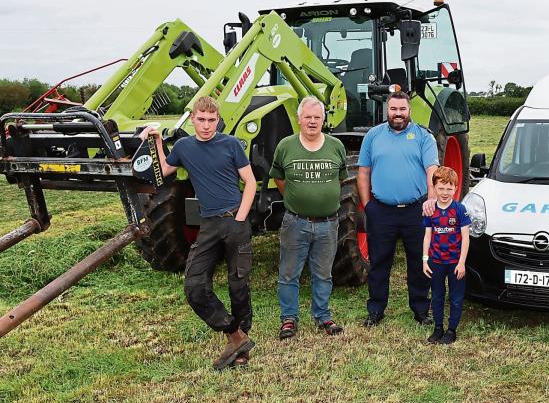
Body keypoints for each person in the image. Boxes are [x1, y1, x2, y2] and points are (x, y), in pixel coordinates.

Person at [139, 96, 257, 370]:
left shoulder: (231, 144)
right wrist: (156, 141)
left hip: (234, 220)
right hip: (208, 225)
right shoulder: (184, 147)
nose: (206, 125)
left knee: (238, 284)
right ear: (192, 119)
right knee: (194, 286)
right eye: (201, 120)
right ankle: (234, 334)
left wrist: (240, 218)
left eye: (211, 120)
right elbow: (163, 171)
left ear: (218, 120)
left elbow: (250, 182)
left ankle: (241, 349)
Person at [358, 91, 439, 327]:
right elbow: (363, 173)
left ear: (409, 110)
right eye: (394, 109)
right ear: (387, 110)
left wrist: (431, 201)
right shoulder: (373, 136)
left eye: (402, 109)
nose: (398, 114)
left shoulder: (423, 136)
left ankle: (421, 310)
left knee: (419, 261)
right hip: (381, 211)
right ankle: (376, 309)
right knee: (379, 262)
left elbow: (432, 171)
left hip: (416, 210)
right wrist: (368, 205)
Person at [269, 96, 348, 339]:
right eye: (308, 117)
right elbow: (279, 178)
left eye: (317, 117)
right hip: (295, 222)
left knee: (323, 273)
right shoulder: (286, 146)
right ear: (299, 119)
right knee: (289, 273)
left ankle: (323, 315)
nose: (312, 121)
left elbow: (340, 179)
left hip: (328, 223)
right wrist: (298, 199)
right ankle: (289, 319)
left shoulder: (336, 146)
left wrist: (320, 198)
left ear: (323, 120)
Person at [422, 166, 471, 344]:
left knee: (456, 298)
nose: (445, 192)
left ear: (455, 188)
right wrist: (425, 260)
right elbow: (427, 236)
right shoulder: (430, 210)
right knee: (437, 296)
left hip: (455, 262)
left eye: (449, 189)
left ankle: (451, 330)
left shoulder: (460, 210)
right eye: (441, 188)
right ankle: (438, 328)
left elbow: (465, 238)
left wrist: (462, 263)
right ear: (434, 188)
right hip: (436, 262)